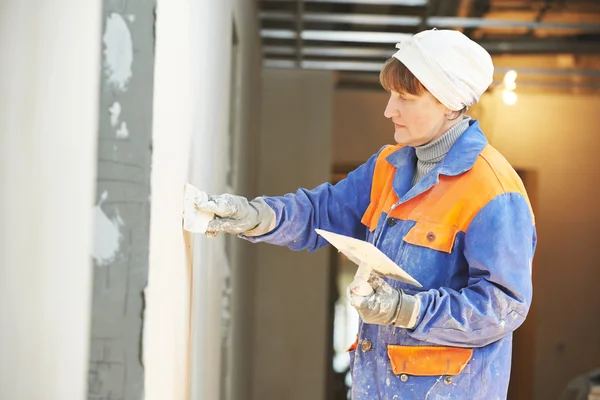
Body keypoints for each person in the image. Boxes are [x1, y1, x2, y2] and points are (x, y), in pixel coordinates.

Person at [198, 29, 536, 400]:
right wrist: (256, 215)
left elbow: (503, 306)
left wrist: (407, 311)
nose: (390, 109)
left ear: (449, 104)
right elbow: (320, 212)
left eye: (405, 97)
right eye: (391, 94)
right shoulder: (388, 167)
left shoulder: (495, 191)